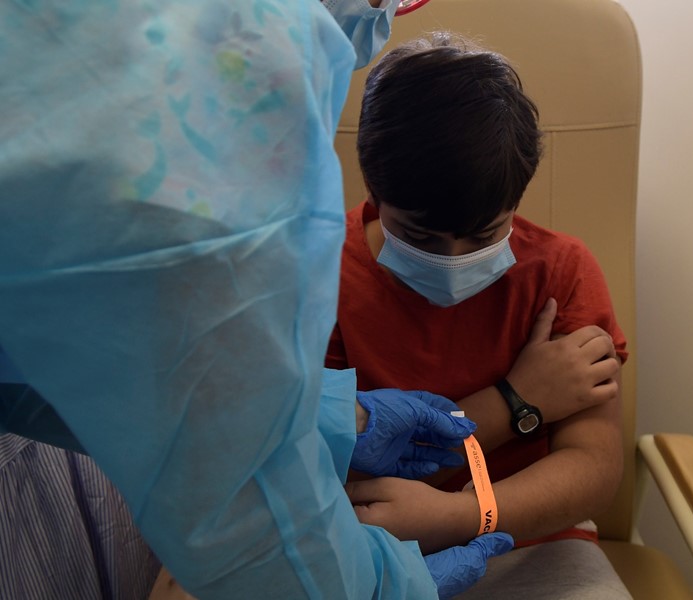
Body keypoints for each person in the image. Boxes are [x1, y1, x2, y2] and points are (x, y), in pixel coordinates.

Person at [0, 1, 511, 598]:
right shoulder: (215, 83)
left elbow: (108, 357)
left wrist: (334, 419)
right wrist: (388, 584)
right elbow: (251, 505)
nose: (383, 14)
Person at [325, 33, 632, 596]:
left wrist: (463, 517)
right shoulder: (320, 274)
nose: (453, 260)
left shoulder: (561, 272)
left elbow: (593, 470)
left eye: (484, 235)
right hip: (366, 549)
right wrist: (517, 402)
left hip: (533, 540)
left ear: (515, 200)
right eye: (420, 236)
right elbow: (345, 488)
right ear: (374, 185)